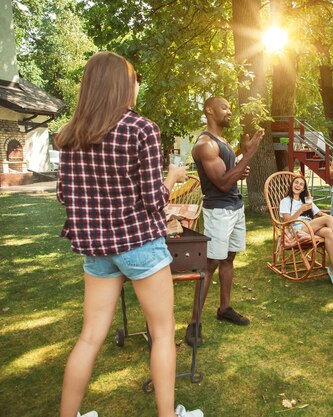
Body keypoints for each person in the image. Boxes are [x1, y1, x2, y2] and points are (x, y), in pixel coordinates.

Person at [55, 52, 202, 417]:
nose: (138, 85)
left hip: (97, 249)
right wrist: (172, 178)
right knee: (163, 331)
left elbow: (64, 194)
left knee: (90, 337)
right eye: (135, 78)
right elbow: (154, 199)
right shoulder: (141, 129)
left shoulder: (70, 135)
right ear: (122, 84)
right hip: (140, 244)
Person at [185, 97, 264, 347]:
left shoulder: (222, 142)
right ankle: (194, 323)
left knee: (229, 258)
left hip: (235, 206)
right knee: (209, 265)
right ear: (209, 110)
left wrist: (241, 164)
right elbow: (221, 183)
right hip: (218, 211)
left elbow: (230, 174)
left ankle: (225, 308)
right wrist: (249, 155)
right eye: (224, 108)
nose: (230, 111)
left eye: (231, 107)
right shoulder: (205, 145)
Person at [279, 175, 333, 286]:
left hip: (310, 226)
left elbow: (320, 214)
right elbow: (286, 221)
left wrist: (329, 219)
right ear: (292, 185)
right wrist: (300, 210)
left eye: (301, 184)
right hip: (298, 228)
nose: (298, 185)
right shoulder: (286, 201)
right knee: (328, 219)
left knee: (328, 231)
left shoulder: (307, 201)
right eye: (296, 182)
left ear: (303, 189)